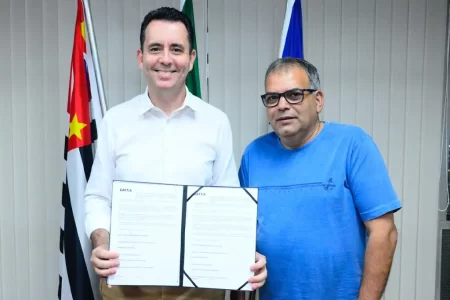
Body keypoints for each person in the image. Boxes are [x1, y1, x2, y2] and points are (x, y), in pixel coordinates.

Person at [84, 7, 267, 300]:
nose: (166, 59)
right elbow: (98, 197)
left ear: (191, 59)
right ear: (140, 57)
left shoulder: (216, 122)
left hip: (199, 286)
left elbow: (227, 203)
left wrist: (243, 252)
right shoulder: (115, 121)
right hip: (127, 282)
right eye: (155, 48)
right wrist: (100, 242)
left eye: (176, 49)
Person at [238, 57, 402, 300]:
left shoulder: (352, 144)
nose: (282, 105)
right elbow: (241, 236)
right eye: (272, 98)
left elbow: (384, 232)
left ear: (318, 100)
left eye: (294, 94)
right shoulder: (253, 154)